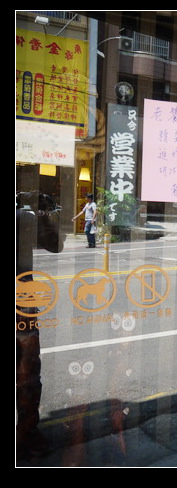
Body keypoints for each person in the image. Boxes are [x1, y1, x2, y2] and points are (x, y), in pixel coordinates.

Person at [16, 192, 64, 460]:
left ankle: (27, 431)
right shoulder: (23, 217)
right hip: (22, 304)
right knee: (28, 375)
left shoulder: (23, 217)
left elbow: (55, 245)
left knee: (28, 375)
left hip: (22, 304)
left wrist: (40, 213)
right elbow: (56, 244)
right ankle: (27, 432)